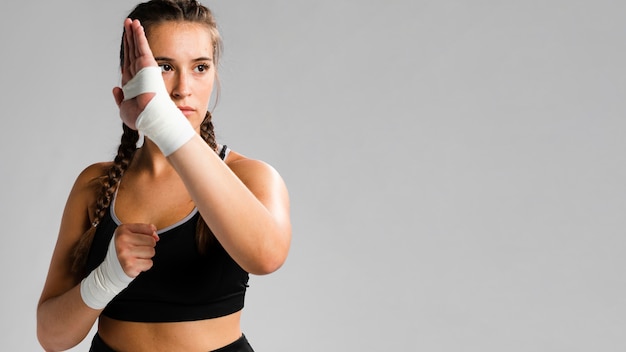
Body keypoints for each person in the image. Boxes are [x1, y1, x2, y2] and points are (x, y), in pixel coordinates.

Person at [36, 1, 291, 351]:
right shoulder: (95, 186)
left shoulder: (248, 176)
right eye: (164, 67)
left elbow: (268, 256)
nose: (183, 88)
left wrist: (163, 122)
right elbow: (51, 336)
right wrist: (106, 278)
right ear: (129, 78)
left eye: (200, 67)